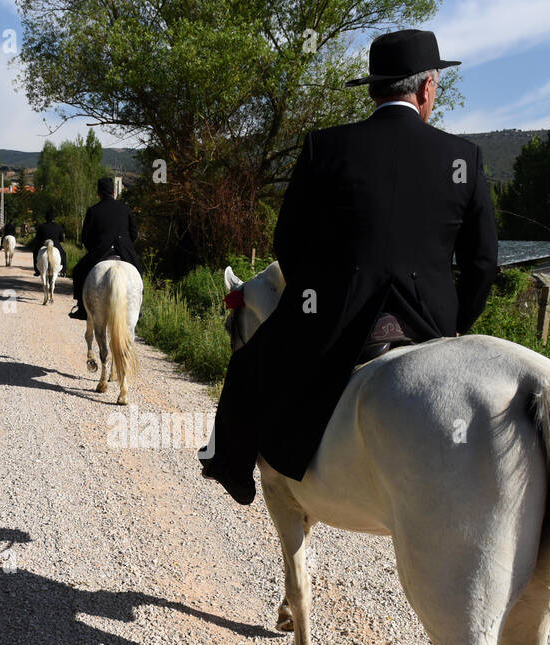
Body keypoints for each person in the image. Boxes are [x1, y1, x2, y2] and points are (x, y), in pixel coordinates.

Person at [199, 28, 497, 505]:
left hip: (335, 318)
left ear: (375, 89)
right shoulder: (464, 157)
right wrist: (451, 327)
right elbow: (483, 265)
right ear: (426, 89)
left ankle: (231, 466)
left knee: (247, 366)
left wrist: (313, 298)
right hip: (431, 324)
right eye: (435, 86)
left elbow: (289, 243)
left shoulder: (325, 148)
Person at [68, 176, 140, 320]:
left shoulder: (93, 211)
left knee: (78, 272)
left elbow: (85, 238)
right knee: (138, 272)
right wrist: (127, 246)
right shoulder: (125, 209)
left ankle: (82, 308)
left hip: (100, 251)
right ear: (113, 192)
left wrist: (94, 248)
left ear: (98, 193)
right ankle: (139, 308)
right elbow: (134, 233)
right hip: (124, 251)